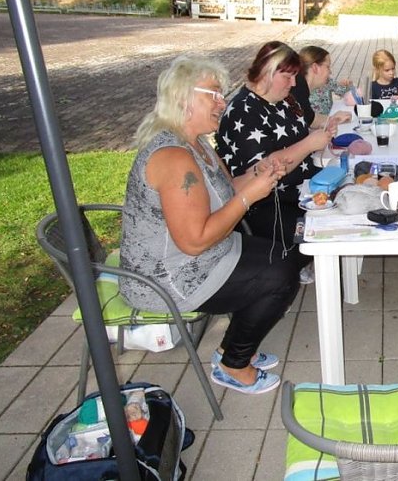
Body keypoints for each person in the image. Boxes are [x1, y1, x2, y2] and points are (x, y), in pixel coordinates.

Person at [120, 55, 300, 395]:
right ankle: (234, 365)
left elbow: (224, 190)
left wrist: (257, 176)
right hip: (168, 277)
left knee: (286, 252)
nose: (223, 102)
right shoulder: (173, 158)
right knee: (279, 275)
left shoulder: (197, 143)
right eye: (214, 94)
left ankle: (230, 347)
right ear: (184, 97)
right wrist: (249, 198)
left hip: (201, 255)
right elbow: (195, 240)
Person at [216, 41, 335, 273]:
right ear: (267, 73)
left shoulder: (282, 100)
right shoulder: (243, 111)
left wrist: (318, 137)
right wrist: (309, 144)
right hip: (268, 203)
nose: (293, 83)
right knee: (323, 234)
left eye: (295, 76)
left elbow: (297, 134)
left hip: (299, 189)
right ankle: (302, 269)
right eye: (287, 77)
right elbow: (265, 169)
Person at [298, 45, 353, 128]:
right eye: (328, 66)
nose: (330, 72)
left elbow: (311, 119)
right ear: (315, 68)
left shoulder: (302, 91)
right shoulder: (297, 96)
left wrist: (333, 119)